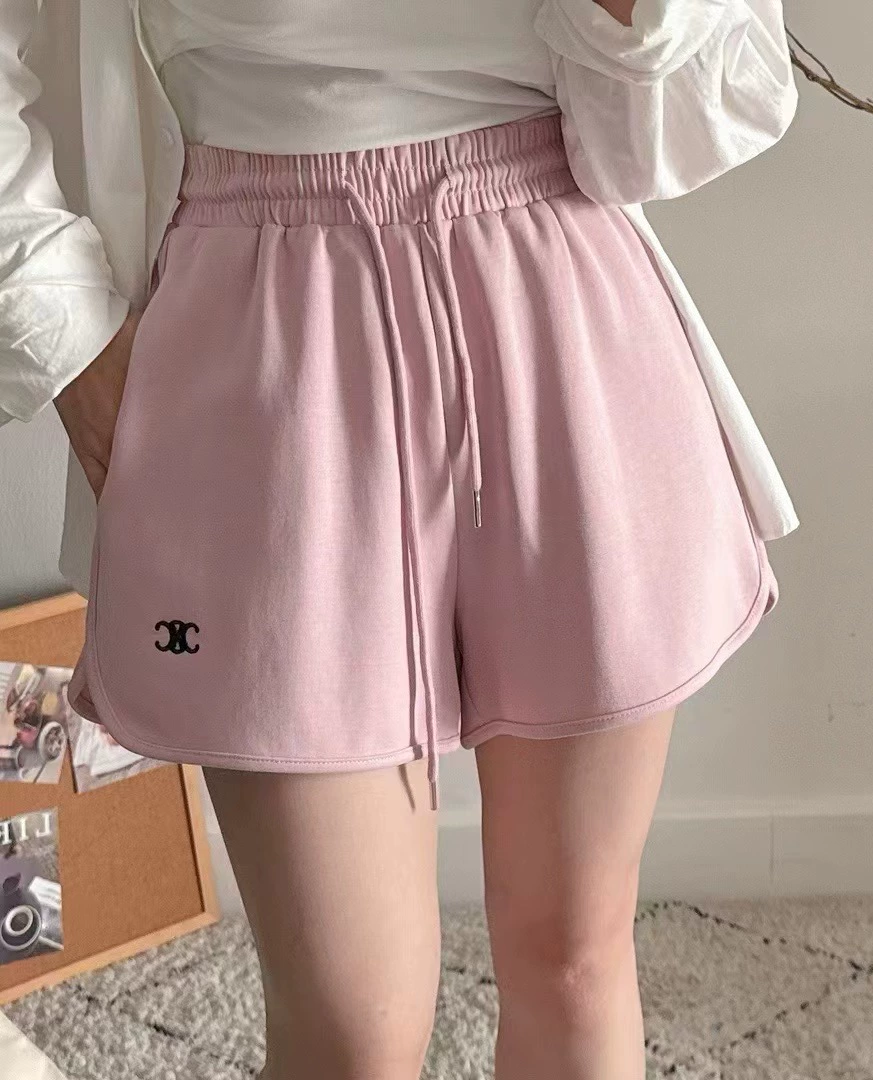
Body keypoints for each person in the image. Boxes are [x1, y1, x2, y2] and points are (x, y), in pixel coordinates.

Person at [1, 1, 799, 1076]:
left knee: (573, 956)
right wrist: (65, 339)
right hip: (264, 327)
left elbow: (691, 116)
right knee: (352, 1030)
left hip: (557, 301)